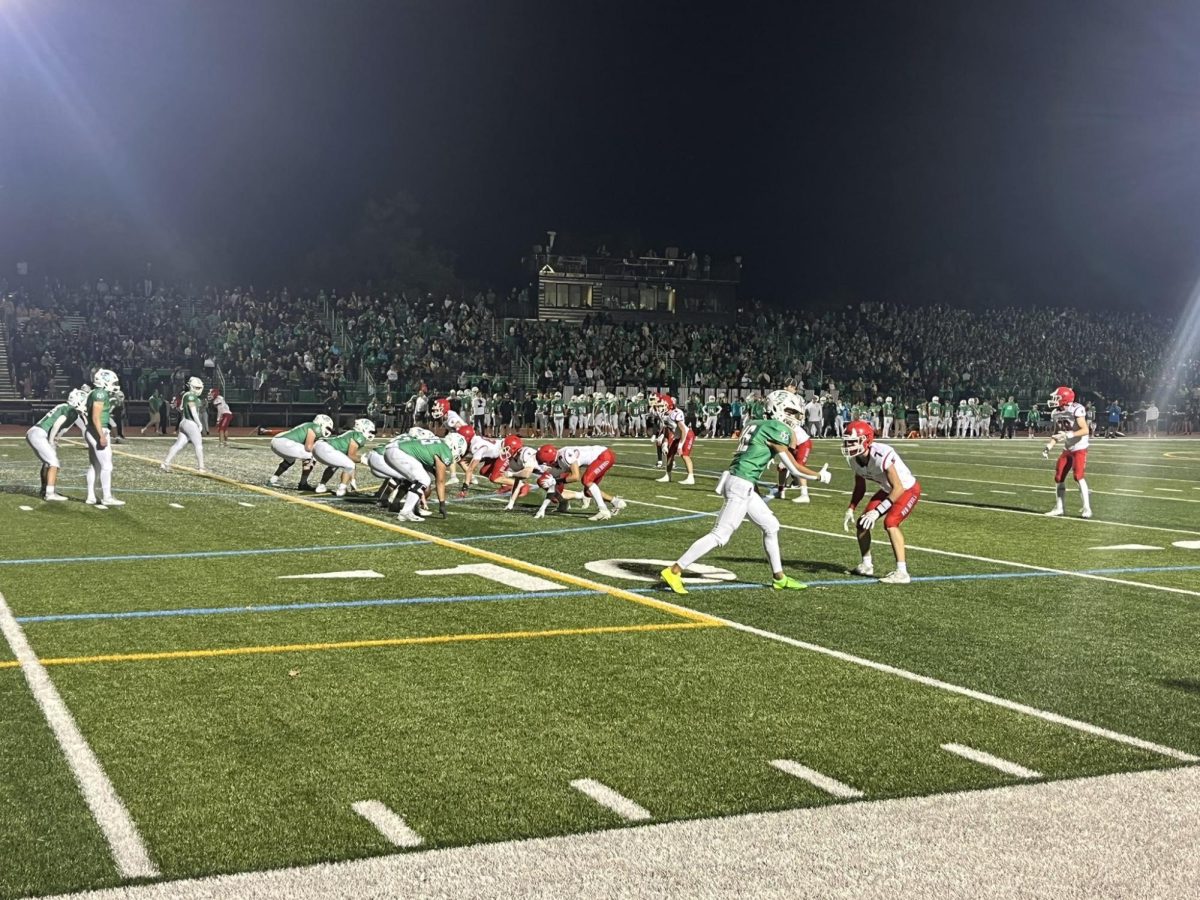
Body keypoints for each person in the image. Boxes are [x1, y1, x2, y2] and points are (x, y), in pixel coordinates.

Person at [660, 389, 829, 595]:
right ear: (777, 409)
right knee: (720, 535)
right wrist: (819, 476)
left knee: (771, 526)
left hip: (740, 481)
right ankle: (674, 570)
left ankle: (779, 577)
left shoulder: (755, 423)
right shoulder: (776, 427)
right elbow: (793, 467)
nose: (794, 417)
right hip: (741, 483)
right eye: (790, 412)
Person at [842, 420, 920, 585]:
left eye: (853, 441)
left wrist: (877, 511)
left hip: (906, 489)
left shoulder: (881, 453)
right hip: (888, 490)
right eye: (847, 441)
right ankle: (866, 564)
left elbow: (898, 488)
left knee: (890, 523)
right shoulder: (855, 459)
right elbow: (860, 487)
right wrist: (851, 508)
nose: (848, 445)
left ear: (867, 440)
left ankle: (902, 572)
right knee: (862, 523)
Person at [532, 442, 627, 521]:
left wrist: (556, 480)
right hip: (601, 458)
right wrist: (543, 508)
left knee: (586, 480)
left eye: (543, 462)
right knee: (589, 492)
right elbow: (553, 487)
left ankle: (603, 510)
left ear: (550, 460)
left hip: (604, 455)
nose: (543, 466)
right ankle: (616, 502)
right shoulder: (557, 461)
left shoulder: (565, 455)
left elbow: (575, 477)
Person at [26, 389, 87, 501]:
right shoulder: (69, 410)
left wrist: (55, 440)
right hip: (40, 434)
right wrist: (51, 441)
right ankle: (50, 494)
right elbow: (56, 425)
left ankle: (45, 489)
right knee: (54, 463)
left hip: (35, 432)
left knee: (47, 463)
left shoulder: (69, 410)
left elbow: (62, 429)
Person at [1043, 386, 1092, 519]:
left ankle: (1087, 507)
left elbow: (1085, 430)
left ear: (1064, 399)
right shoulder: (1056, 413)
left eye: (1057, 397)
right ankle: (1059, 508)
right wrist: (1049, 446)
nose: (1054, 400)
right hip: (1068, 448)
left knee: (1078, 476)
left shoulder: (1076, 409)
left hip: (1079, 447)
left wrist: (1068, 434)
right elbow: (1057, 433)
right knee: (1059, 476)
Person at [84, 368, 125, 506]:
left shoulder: (96, 393)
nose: (115, 384)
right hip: (98, 430)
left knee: (95, 466)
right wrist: (101, 435)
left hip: (92, 430)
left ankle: (91, 496)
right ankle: (107, 497)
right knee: (106, 465)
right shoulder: (100, 393)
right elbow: (96, 417)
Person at [313, 418, 375, 496]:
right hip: (326, 448)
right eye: (370, 431)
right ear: (363, 428)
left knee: (334, 466)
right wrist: (364, 459)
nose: (371, 434)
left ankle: (321, 486)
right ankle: (341, 489)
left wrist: (353, 481)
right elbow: (351, 456)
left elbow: (349, 460)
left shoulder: (351, 433)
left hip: (318, 447)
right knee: (349, 465)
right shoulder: (359, 436)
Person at [268, 414, 334, 489]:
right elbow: (308, 447)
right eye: (327, 428)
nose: (328, 431)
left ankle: (272, 480)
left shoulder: (309, 425)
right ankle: (303, 483)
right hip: (284, 442)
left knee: (290, 460)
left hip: (278, 441)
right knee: (311, 456)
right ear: (321, 424)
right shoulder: (316, 427)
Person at [161, 376, 206, 473]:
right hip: (190, 422)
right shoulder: (191, 396)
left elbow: (180, 409)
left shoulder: (186, 395)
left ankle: (165, 462)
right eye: (196, 388)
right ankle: (201, 467)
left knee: (178, 445)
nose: (198, 390)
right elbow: (193, 411)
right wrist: (199, 423)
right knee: (198, 445)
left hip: (183, 422)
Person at [655, 393, 697, 485]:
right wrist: (665, 443)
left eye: (662, 405)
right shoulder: (663, 414)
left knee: (684, 455)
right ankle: (668, 475)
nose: (659, 408)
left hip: (687, 435)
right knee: (669, 454)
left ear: (668, 405)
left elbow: (683, 430)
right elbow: (667, 429)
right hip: (678, 435)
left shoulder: (676, 413)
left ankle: (691, 477)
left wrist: (680, 446)